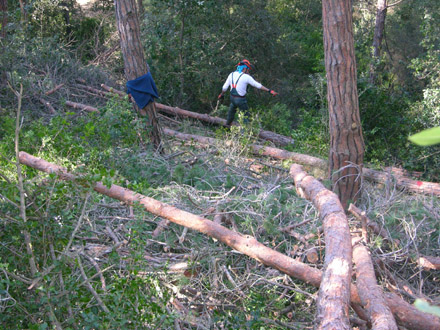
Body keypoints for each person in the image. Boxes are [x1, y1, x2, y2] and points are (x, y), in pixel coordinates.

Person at [218, 59, 278, 127]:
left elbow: (224, 88)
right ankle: (244, 133)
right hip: (241, 100)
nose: (248, 71)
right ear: (244, 69)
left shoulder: (231, 74)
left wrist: (221, 94)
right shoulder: (246, 77)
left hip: (232, 98)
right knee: (245, 116)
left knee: (231, 111)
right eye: (248, 69)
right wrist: (269, 90)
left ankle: (227, 125)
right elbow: (257, 85)